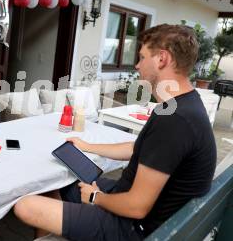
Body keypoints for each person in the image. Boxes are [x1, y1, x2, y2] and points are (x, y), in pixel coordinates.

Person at [14, 24, 217, 240]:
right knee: (56, 182)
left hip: (133, 227)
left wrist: (96, 198)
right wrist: (87, 146)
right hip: (132, 203)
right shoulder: (185, 105)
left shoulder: (175, 120)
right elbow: (138, 149)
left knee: (26, 206)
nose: (137, 65)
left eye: (142, 57)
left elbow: (137, 207)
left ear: (161, 59)